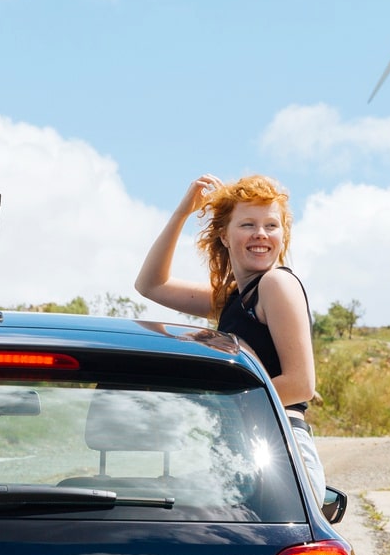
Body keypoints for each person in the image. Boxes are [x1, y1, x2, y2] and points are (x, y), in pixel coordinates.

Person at [134, 174, 326, 496]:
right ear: (224, 235)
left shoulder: (275, 284)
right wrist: (183, 212)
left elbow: (301, 383)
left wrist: (213, 402)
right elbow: (151, 285)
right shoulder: (235, 297)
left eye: (271, 225)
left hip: (280, 447)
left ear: (284, 234)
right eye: (248, 224)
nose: (261, 234)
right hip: (242, 448)